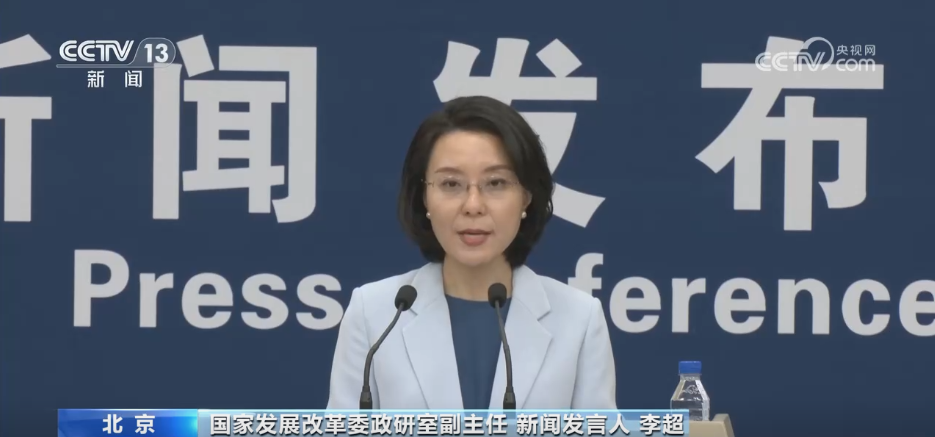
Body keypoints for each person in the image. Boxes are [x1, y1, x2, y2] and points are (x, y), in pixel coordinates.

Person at [327, 96, 616, 410]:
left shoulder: (579, 319)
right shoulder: (374, 313)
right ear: (423, 197)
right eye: (451, 184)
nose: (473, 205)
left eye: (496, 183)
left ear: (526, 197)